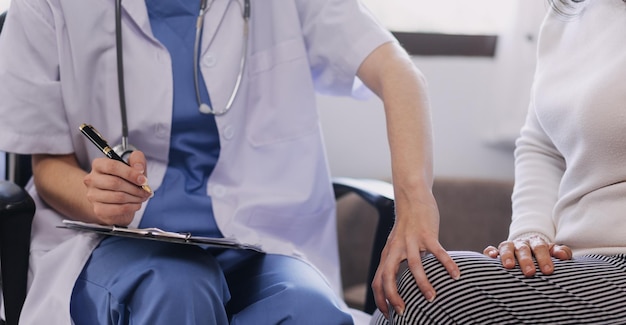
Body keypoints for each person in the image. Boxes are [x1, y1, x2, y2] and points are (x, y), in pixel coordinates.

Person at [0, 0, 460, 323]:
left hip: (260, 241)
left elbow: (395, 70)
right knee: (178, 292)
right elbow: (48, 161)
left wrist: (415, 202)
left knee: (308, 310)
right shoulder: (48, 4)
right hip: (118, 243)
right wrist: (93, 196)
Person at [370, 0, 626, 324]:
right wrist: (531, 234)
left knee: (425, 295)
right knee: (406, 289)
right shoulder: (568, 15)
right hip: (577, 258)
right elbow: (541, 144)